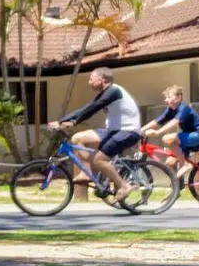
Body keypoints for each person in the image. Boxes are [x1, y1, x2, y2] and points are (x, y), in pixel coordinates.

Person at [48, 67, 142, 205]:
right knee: (77, 138)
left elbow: (94, 108)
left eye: (91, 79)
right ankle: (86, 172)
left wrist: (74, 122)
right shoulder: (105, 93)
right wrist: (61, 121)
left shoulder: (113, 91)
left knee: (99, 160)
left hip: (127, 131)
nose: (89, 82)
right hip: (113, 131)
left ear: (102, 79)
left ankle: (124, 186)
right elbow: (87, 108)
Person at [143, 85, 199, 179]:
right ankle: (177, 186)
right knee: (170, 163)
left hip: (197, 135)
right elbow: (157, 121)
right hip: (187, 137)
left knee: (167, 138)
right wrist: (141, 130)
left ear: (179, 97)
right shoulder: (170, 110)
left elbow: (175, 122)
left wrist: (158, 132)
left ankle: (185, 164)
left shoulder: (184, 108)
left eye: (169, 97)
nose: (166, 100)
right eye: (165, 98)